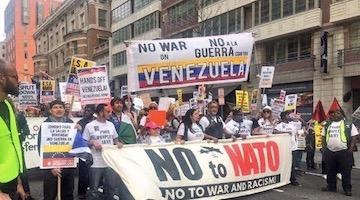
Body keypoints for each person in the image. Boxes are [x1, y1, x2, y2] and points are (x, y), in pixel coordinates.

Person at [37, 100, 77, 200]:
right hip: (51, 168)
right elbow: (40, 147)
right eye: (55, 107)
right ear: (50, 110)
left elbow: (75, 143)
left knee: (68, 194)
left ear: (64, 109)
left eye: (61, 107)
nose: (58, 109)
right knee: (50, 195)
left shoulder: (70, 123)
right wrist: (51, 167)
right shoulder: (45, 125)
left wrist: (78, 130)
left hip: (68, 165)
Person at [83, 104, 124, 200]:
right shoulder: (90, 126)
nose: (110, 114)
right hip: (95, 162)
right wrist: (92, 142)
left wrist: (119, 144)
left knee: (111, 187)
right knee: (94, 188)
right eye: (108, 112)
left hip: (109, 162)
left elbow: (115, 140)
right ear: (101, 113)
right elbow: (84, 142)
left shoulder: (111, 125)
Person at [0, 59, 24, 199]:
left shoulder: (8, 105)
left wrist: (18, 183)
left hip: (12, 182)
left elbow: (12, 144)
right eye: (15, 77)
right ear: (2, 79)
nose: (18, 81)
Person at [321, 110, 359, 196]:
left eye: (338, 113)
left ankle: (347, 189)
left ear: (342, 115)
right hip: (330, 151)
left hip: (344, 151)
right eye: (334, 113)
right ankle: (331, 187)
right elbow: (323, 136)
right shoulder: (327, 124)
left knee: (345, 171)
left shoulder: (348, 124)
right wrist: (324, 148)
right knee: (330, 170)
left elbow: (354, 136)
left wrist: (351, 148)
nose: (335, 115)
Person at [76, 104, 96, 199]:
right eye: (85, 110)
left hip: (95, 151)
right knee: (83, 173)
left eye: (88, 110)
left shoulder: (97, 121)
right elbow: (77, 136)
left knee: (94, 172)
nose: (86, 112)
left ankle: (94, 190)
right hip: (84, 150)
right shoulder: (81, 122)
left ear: (93, 111)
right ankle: (81, 193)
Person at [275, 111, 300, 186]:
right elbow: (274, 131)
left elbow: (296, 134)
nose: (290, 116)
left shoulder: (292, 125)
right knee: (285, 164)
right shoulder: (279, 125)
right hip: (285, 148)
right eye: (288, 115)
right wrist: (284, 133)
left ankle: (293, 179)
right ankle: (284, 179)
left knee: (293, 164)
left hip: (293, 147)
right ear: (284, 116)